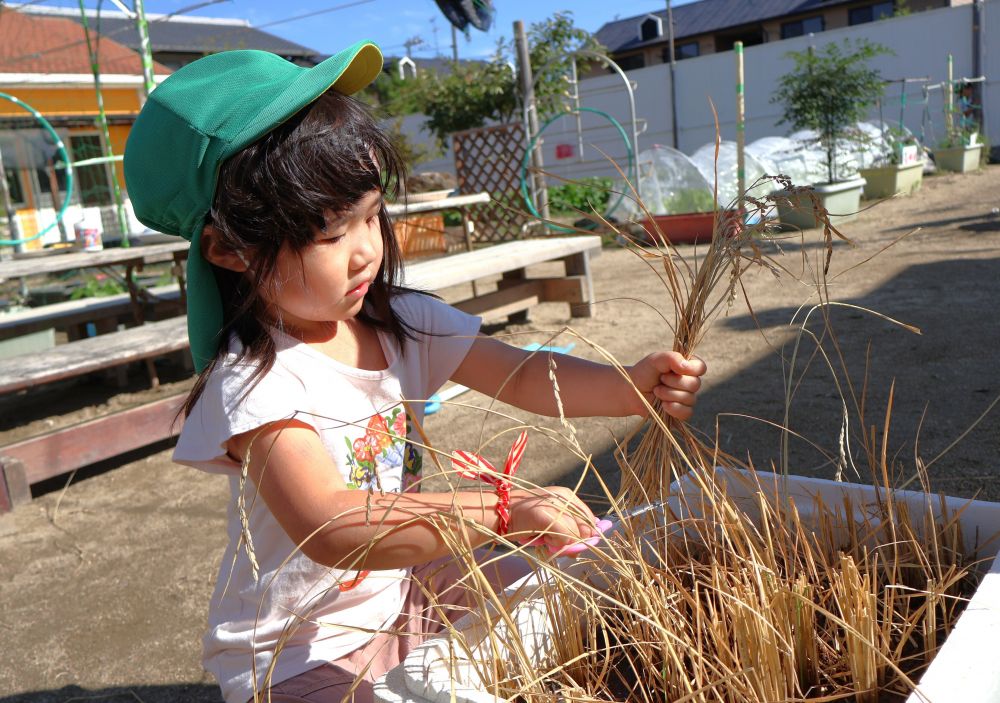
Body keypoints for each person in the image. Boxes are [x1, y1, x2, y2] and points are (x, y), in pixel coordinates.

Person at [123, 42, 706, 703]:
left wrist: (630, 386)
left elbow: (519, 374)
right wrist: (507, 511)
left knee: (580, 577)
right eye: (329, 233)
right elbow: (332, 524)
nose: (365, 249)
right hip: (296, 656)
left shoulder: (395, 320)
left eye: (371, 214)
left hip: (408, 592)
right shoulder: (256, 382)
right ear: (230, 248)